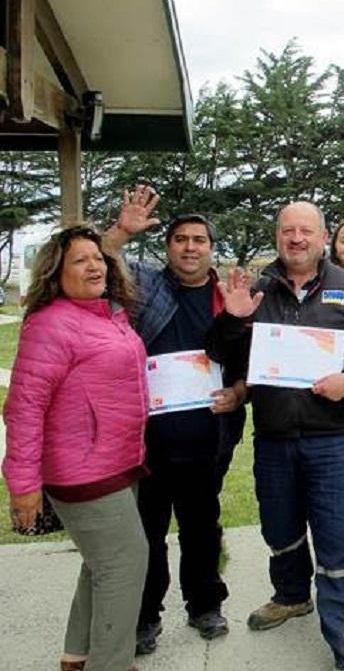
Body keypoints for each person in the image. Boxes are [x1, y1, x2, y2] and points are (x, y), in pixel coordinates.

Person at [208, 201, 344, 671]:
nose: (296, 238)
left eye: (305, 230)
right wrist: (232, 319)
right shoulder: (256, 288)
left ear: (323, 236)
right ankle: (292, 595)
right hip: (273, 439)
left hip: (336, 440)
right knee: (280, 528)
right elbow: (222, 354)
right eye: (287, 230)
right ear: (277, 235)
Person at [103, 188, 245, 653]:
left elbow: (248, 364)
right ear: (168, 247)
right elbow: (102, 261)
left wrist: (238, 394)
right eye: (180, 239)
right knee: (147, 534)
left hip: (210, 438)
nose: (189, 247)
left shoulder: (229, 298)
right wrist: (123, 231)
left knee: (203, 527)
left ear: (211, 247)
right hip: (149, 440)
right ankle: (145, 617)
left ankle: (205, 605)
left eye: (199, 240)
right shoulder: (145, 285)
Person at [3, 224, 149, 671]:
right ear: (56, 272)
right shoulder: (50, 325)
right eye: (80, 260)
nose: (93, 266)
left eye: (97, 257)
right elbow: (23, 409)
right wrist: (23, 485)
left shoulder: (108, 315)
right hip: (83, 473)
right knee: (124, 568)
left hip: (120, 463)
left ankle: (78, 657)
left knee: (99, 566)